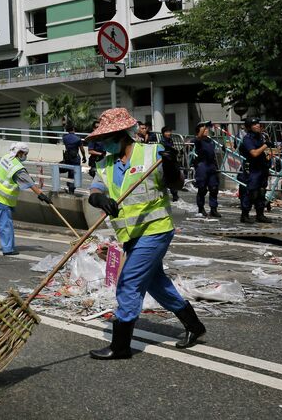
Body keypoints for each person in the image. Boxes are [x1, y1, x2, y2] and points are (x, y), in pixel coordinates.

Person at [86, 108, 205, 360]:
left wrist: (171, 164)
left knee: (129, 282)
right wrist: (100, 200)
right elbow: (94, 191)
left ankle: (120, 346)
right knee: (156, 283)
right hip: (130, 235)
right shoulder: (105, 164)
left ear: (121, 135)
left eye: (107, 137)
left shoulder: (152, 154)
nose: (103, 143)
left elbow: (176, 183)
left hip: (155, 230)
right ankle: (194, 326)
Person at [0, 142, 53, 255]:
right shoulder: (17, 168)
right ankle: (8, 249)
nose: (25, 156)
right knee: (5, 224)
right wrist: (43, 196)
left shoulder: (6, 157)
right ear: (20, 152)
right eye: (25, 154)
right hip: (2, 199)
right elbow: (30, 184)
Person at [239, 118, 272, 223]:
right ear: (249, 127)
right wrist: (265, 145)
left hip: (262, 168)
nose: (258, 125)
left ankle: (260, 214)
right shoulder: (247, 139)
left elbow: (262, 153)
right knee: (252, 193)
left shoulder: (260, 137)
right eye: (254, 124)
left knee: (262, 192)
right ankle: (244, 215)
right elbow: (254, 153)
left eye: (258, 123)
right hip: (253, 169)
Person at [192, 122, 221, 218]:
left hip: (211, 166)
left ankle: (213, 209)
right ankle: (201, 208)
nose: (206, 130)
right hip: (202, 166)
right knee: (202, 188)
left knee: (214, 188)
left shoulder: (210, 140)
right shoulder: (197, 140)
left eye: (206, 129)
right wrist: (203, 126)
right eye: (204, 129)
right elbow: (198, 138)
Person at [62, 124, 86, 194]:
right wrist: (84, 157)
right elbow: (82, 149)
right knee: (74, 174)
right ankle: (72, 189)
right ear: (73, 129)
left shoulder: (64, 138)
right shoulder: (77, 139)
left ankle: (70, 188)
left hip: (67, 157)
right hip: (75, 158)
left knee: (70, 173)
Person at [161, 126, 180, 202]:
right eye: (166, 132)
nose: (169, 133)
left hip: (172, 162)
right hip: (166, 162)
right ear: (163, 133)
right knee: (166, 179)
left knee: (173, 178)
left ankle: (175, 195)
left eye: (169, 132)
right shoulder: (162, 141)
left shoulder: (170, 140)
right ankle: (164, 194)